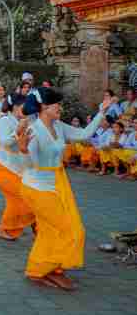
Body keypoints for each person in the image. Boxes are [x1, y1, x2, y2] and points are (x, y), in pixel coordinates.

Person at [17, 87, 108, 291]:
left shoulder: (58, 126)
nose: (61, 107)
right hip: (37, 188)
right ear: (44, 107)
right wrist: (23, 150)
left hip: (57, 182)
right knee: (71, 230)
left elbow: (84, 133)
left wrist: (102, 111)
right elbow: (27, 166)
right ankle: (51, 267)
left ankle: (40, 269)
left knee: (50, 230)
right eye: (57, 104)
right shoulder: (33, 129)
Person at [0, 94, 35, 241]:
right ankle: (11, 228)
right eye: (24, 106)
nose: (27, 110)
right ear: (15, 106)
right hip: (2, 167)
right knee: (23, 198)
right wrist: (17, 132)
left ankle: (5, 229)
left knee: (17, 200)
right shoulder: (4, 120)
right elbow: (4, 142)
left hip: (18, 168)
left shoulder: (26, 121)